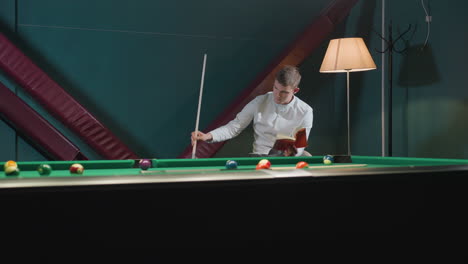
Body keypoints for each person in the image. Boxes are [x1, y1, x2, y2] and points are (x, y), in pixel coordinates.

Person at [191, 65, 313, 156]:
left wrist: (292, 152)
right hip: (259, 156)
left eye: (284, 92)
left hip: (286, 158)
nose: (277, 95)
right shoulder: (259, 101)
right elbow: (234, 127)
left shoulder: (306, 111)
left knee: (305, 156)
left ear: (295, 91)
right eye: (275, 88)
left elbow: (300, 143)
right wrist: (208, 136)